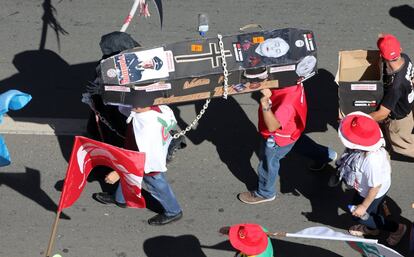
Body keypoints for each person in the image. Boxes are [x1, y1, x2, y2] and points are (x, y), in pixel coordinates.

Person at [238, 83, 336, 204]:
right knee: (299, 143)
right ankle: (325, 155)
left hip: (277, 138)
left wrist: (265, 103)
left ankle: (265, 193)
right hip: (292, 130)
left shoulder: (286, 105)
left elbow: (272, 126)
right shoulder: (294, 83)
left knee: (268, 163)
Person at [93, 104, 183, 226]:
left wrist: (118, 173)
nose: (130, 104)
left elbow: (142, 158)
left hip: (148, 163)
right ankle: (121, 198)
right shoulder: (159, 109)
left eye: (133, 102)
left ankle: (173, 211)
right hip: (141, 155)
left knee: (157, 185)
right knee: (129, 177)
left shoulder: (147, 127)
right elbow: (123, 108)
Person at [336, 111, 406, 245]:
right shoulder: (370, 145)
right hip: (367, 188)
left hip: (373, 191)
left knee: (361, 216)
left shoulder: (371, 161)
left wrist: (363, 206)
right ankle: (372, 229)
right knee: (372, 210)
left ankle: (397, 229)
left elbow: (375, 187)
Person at [369, 33, 414, 158]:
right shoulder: (405, 57)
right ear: (400, 49)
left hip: (399, 121)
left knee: (404, 146)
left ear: (381, 56)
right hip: (407, 105)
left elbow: (382, 114)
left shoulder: (396, 86)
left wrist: (359, 118)